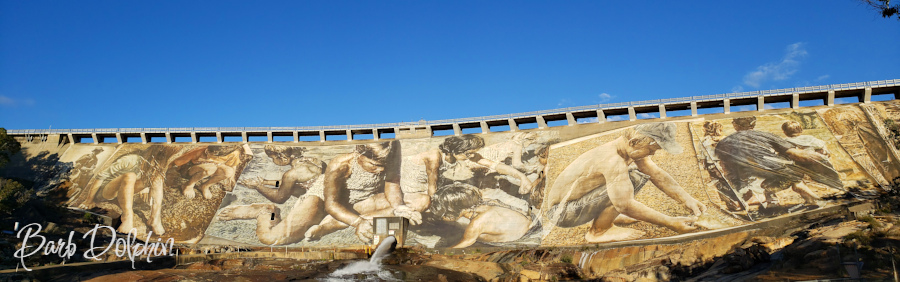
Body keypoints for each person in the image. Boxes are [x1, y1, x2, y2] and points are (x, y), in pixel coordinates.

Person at [544, 122, 707, 243]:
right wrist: (670, 222)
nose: (652, 154)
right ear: (634, 142)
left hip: (574, 204)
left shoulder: (626, 150)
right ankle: (598, 232)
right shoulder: (612, 160)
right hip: (562, 213)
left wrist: (687, 199)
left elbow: (657, 174)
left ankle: (606, 216)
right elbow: (625, 204)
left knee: (631, 176)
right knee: (626, 182)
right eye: (651, 150)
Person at [308, 141, 421, 242]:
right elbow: (331, 204)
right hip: (339, 202)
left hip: (366, 202)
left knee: (421, 201)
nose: (381, 170)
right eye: (374, 165)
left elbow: (392, 182)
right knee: (293, 233)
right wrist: (358, 222)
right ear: (358, 155)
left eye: (383, 166)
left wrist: (398, 207)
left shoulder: (391, 149)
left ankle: (335, 223)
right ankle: (326, 226)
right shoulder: (340, 164)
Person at [715, 120, 840, 210]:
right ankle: (812, 199)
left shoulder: (725, 142)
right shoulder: (765, 135)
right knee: (795, 181)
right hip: (790, 168)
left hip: (765, 172)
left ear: (735, 125)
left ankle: (773, 204)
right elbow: (798, 153)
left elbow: (725, 165)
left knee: (770, 185)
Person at [216, 145, 327, 245]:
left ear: (282, 157)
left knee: (269, 238)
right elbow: (291, 184)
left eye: (272, 158)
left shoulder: (291, 174)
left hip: (313, 202)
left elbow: (279, 198)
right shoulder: (314, 162)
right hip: (319, 198)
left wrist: (257, 187)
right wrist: (266, 182)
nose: (273, 160)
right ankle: (273, 216)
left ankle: (266, 211)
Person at [399, 135, 534, 213]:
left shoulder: (464, 155)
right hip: (412, 190)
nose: (472, 156)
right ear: (457, 150)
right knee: (429, 201)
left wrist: (522, 177)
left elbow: (495, 165)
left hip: (430, 185)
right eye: (469, 153)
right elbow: (432, 186)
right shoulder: (434, 157)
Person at [78, 147, 178, 235]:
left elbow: (150, 176)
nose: (154, 167)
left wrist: (146, 187)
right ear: (148, 158)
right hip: (106, 192)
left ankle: (155, 219)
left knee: (157, 178)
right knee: (130, 175)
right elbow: (100, 177)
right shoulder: (130, 160)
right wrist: (89, 200)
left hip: (123, 191)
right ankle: (127, 217)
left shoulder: (153, 167)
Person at [430, 182, 531, 248]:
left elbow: (460, 246)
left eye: (445, 214)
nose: (444, 217)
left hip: (523, 239)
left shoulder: (477, 223)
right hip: (528, 226)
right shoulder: (486, 202)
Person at [171, 144, 252, 199]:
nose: (209, 155)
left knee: (228, 171)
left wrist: (232, 178)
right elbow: (177, 162)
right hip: (191, 171)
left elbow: (233, 165)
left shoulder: (233, 153)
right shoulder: (201, 150)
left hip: (210, 171)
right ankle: (188, 185)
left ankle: (205, 186)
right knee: (210, 168)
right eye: (209, 153)